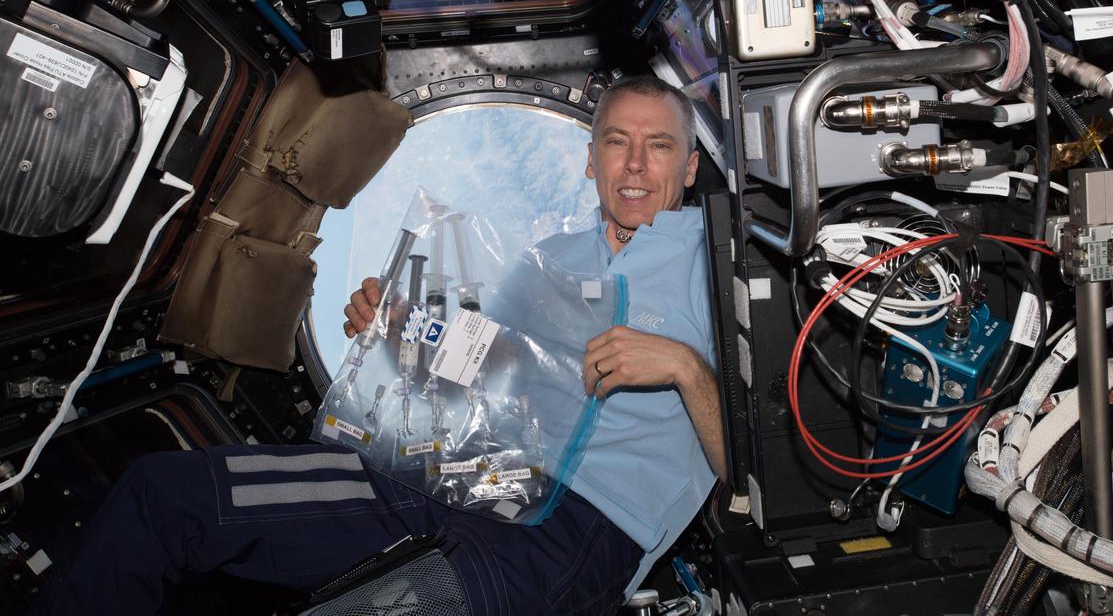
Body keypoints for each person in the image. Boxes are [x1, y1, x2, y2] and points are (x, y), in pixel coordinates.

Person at [34, 76, 723, 616]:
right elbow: (486, 377)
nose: (634, 164)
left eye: (658, 144)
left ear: (690, 167)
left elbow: (760, 480)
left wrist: (687, 370)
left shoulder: (722, 267)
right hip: (464, 472)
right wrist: (398, 329)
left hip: (572, 531)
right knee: (165, 496)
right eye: (615, 141)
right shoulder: (550, 259)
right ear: (590, 158)